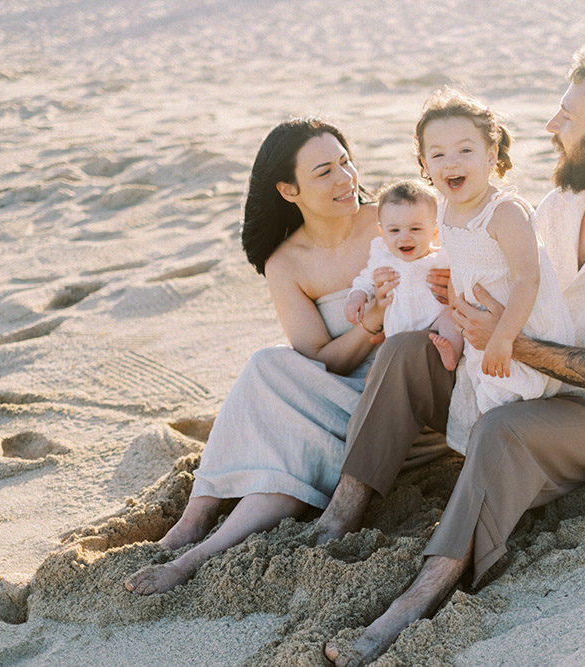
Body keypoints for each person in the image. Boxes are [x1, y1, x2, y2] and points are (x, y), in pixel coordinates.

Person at [318, 44, 585, 666]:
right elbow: (498, 274)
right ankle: (342, 512)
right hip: (518, 376)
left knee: (503, 431)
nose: (551, 128)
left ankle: (422, 593)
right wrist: (455, 299)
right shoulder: (557, 206)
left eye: (565, 116)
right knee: (404, 352)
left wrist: (512, 339)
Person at [124, 117, 446, 596]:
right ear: (288, 190)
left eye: (346, 162)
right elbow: (323, 362)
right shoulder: (286, 262)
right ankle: (194, 529)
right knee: (269, 368)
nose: (345, 179)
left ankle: (195, 550)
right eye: (324, 172)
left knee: (270, 379)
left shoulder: (394, 220)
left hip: (395, 401)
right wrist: (372, 320)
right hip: (332, 389)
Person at [416, 89, 574, 453]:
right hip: (481, 330)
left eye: (465, 151)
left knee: (509, 400)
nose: (451, 162)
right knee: (484, 399)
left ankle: (519, 462)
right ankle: (493, 465)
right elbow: (460, 260)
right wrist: (456, 298)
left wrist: (504, 338)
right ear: (425, 164)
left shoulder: (504, 212)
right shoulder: (446, 209)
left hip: (521, 327)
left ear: (491, 155)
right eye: (437, 154)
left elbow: (526, 279)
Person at [344, 179, 462, 371]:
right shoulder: (383, 257)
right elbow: (364, 280)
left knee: (451, 319)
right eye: (394, 230)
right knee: (385, 356)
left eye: (415, 229)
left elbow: (461, 274)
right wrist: (357, 297)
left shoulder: (440, 257)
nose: (404, 236)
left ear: (434, 232)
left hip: (435, 320)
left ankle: (451, 353)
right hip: (399, 327)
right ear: (383, 232)